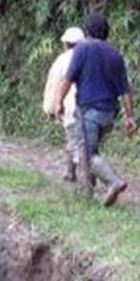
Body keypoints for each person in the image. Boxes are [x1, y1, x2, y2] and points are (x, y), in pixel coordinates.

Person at [55, 14, 135, 205]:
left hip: (90, 111)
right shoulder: (115, 54)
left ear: (87, 32)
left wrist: (58, 101)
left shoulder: (82, 49)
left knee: (88, 154)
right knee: (88, 148)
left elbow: (68, 79)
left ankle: (113, 182)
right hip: (109, 114)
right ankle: (86, 191)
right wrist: (129, 116)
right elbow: (125, 90)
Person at [42, 26, 85, 182]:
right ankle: (86, 171)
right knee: (86, 140)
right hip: (88, 103)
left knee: (72, 139)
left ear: (66, 43)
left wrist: (51, 107)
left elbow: (54, 84)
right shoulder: (88, 56)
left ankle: (72, 172)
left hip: (68, 104)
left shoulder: (62, 60)